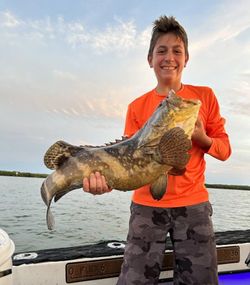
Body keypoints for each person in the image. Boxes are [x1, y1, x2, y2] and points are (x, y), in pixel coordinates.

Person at [83, 15, 231, 285]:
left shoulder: (204, 97)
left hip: (194, 205)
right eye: (161, 51)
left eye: (177, 51)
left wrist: (202, 137)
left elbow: (224, 150)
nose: (169, 57)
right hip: (146, 206)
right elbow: (127, 160)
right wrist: (106, 182)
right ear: (150, 59)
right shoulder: (136, 107)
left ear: (186, 59)